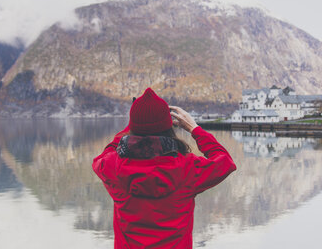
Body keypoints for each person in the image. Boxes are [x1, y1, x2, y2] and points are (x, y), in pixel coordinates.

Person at [92, 88, 236, 248]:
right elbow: (225, 162)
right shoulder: (187, 168)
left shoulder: (112, 166)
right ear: (169, 127)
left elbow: (106, 153)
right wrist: (194, 129)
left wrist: (134, 125)